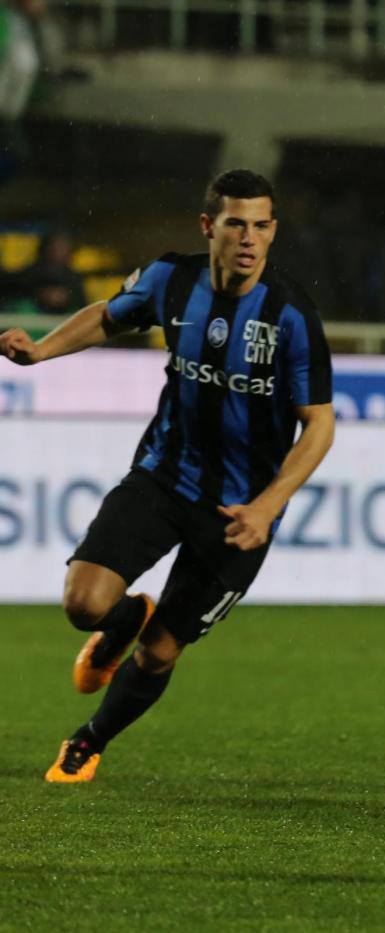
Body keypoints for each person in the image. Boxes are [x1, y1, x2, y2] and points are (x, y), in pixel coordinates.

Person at [0, 169, 336, 782]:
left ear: (273, 231)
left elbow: (319, 425)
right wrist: (42, 351)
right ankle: (123, 618)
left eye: (262, 225)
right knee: (82, 603)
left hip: (238, 513)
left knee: (160, 653)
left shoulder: (291, 316)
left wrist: (267, 507)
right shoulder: (171, 279)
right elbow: (110, 314)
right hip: (162, 477)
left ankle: (90, 740)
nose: (249, 238)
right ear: (209, 226)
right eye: (236, 223)